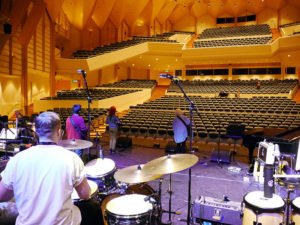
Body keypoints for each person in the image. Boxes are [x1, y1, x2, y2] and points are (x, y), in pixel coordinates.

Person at [0, 111, 104, 225]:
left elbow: (2, 195)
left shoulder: (17, 159)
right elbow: (85, 195)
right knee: (93, 209)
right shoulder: (71, 158)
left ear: (37, 132)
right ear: (59, 132)